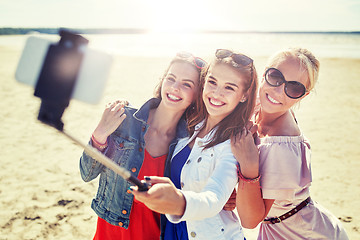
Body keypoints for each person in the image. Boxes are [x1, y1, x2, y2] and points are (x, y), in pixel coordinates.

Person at [131, 49, 258, 240]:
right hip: (173, 233)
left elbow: (214, 198)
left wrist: (179, 202)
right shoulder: (188, 127)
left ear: (244, 95)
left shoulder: (234, 143)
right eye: (212, 82)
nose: (216, 93)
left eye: (229, 88)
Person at [79, 52, 206, 240]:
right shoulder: (124, 120)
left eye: (187, 84)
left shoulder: (189, 143)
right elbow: (86, 174)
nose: (175, 87)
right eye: (171, 78)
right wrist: (99, 134)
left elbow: (194, 195)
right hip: (109, 235)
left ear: (197, 95)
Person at [231, 47, 349, 239]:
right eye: (275, 77)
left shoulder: (281, 146)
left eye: (294, 88)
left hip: (302, 233)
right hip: (286, 224)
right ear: (264, 73)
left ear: (303, 95)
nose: (279, 91)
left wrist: (248, 164)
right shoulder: (260, 107)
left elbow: (250, 220)